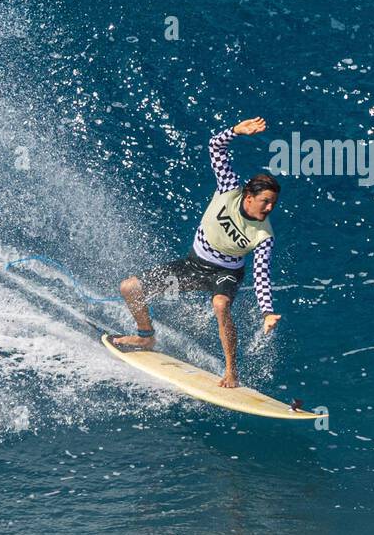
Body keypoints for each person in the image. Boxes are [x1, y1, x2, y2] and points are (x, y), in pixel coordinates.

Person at [108, 117, 282, 387]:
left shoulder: (263, 235)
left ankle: (231, 372)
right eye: (266, 202)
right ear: (249, 197)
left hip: (225, 274)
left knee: (220, 304)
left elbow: (261, 275)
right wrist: (235, 131)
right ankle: (145, 336)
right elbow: (215, 147)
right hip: (192, 266)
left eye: (273, 203)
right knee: (130, 287)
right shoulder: (229, 189)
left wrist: (266, 312)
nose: (270, 208)